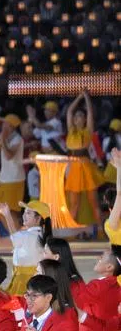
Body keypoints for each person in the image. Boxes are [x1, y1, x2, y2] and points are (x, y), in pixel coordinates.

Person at [0, 199, 51, 295]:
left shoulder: (27, 236)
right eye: (24, 212)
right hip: (36, 284)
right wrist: (7, 215)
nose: (23, 216)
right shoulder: (40, 235)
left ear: (38, 218)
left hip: (23, 285)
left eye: (28, 213)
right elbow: (15, 237)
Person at [63, 90, 104, 230]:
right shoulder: (71, 130)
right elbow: (69, 111)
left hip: (85, 167)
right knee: (74, 204)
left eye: (80, 115)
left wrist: (86, 97)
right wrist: (79, 96)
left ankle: (100, 231)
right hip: (74, 168)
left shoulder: (88, 130)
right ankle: (71, 232)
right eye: (76, 115)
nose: (76, 117)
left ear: (84, 119)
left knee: (94, 203)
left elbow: (90, 112)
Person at [0, 115, 26, 211]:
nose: (3, 125)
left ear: (11, 126)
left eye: (5, 123)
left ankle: (15, 226)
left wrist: (3, 141)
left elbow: (9, 156)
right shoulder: (3, 137)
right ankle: (11, 226)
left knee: (10, 211)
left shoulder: (18, 139)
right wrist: (0, 139)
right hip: (4, 178)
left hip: (15, 179)